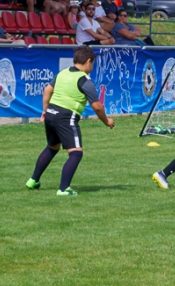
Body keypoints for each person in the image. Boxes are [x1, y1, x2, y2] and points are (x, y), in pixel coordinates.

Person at [26, 46, 115, 196]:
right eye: (92, 64)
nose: (92, 68)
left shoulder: (63, 73)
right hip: (66, 117)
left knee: (52, 147)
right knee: (76, 153)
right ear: (88, 62)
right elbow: (97, 107)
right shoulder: (85, 80)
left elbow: (47, 89)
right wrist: (107, 121)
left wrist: (45, 110)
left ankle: (33, 180)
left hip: (51, 113)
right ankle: (63, 189)